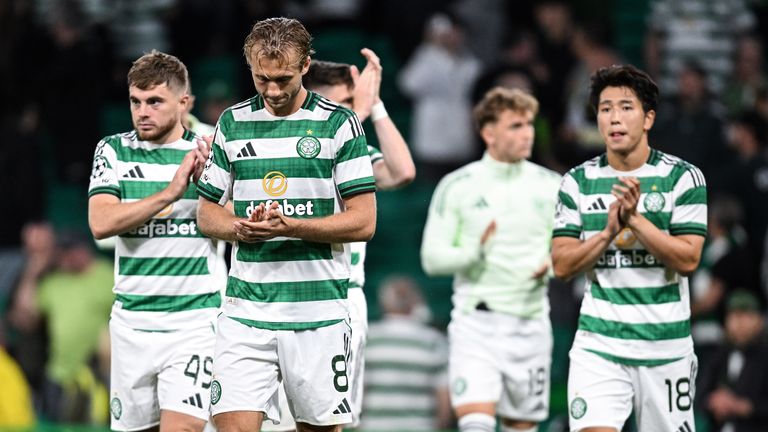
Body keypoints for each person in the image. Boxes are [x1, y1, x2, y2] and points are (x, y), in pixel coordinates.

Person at [195, 17, 377, 432]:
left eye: (283, 79)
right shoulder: (232, 123)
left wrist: (291, 226)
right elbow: (207, 213)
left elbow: (364, 221)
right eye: (262, 79)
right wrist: (240, 228)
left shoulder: (339, 124)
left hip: (318, 314)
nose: (273, 90)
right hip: (245, 311)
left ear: (306, 65)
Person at [261, 48, 415, 432]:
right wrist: (357, 115)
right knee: (277, 422)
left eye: (352, 102)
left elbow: (401, 172)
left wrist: (375, 106)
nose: (350, 110)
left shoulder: (354, 148)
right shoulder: (276, 143)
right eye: (343, 103)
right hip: (281, 294)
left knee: (331, 420)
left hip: (344, 298)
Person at [551, 64, 707, 432]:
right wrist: (607, 232)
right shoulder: (577, 182)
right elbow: (562, 265)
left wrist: (635, 221)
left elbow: (688, 259)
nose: (614, 118)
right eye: (605, 109)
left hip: (665, 347)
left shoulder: (682, 178)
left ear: (648, 118)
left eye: (625, 107)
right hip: (599, 346)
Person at [87, 50, 218, 432]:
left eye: (155, 101)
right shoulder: (113, 150)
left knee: (184, 426)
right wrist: (170, 193)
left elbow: (233, 222)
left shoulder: (209, 154)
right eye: (136, 101)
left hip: (194, 322)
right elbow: (100, 222)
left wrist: (214, 189)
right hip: (132, 323)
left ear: (183, 103)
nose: (143, 112)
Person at [421, 86, 561, 432]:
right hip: (476, 326)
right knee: (476, 425)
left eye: (529, 124)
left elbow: (570, 249)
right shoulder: (458, 185)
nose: (527, 133)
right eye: (515, 125)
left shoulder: (553, 185)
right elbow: (432, 259)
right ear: (488, 133)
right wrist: (475, 252)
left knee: (521, 427)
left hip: (531, 324)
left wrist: (552, 265)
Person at [361, 275, 451, 431]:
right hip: (422, 427)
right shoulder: (434, 341)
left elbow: (359, 390)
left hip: (374, 427)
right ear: (415, 302)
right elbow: (444, 397)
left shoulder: (368, 338)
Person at [697, 290, 768, 432]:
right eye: (734, 316)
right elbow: (700, 396)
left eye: (747, 316)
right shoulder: (717, 356)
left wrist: (742, 407)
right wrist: (714, 402)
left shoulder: (764, 358)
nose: (740, 324)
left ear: (760, 321)